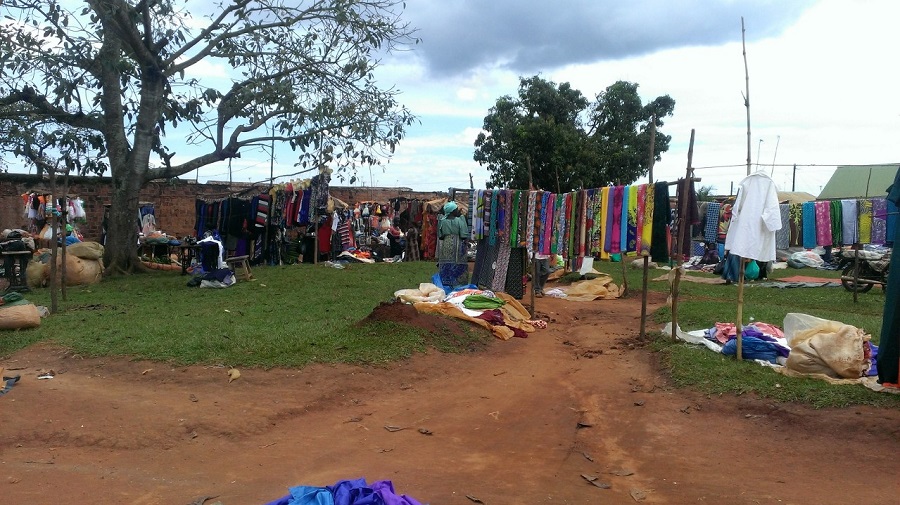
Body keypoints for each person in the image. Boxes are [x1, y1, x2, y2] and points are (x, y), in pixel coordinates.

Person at [437, 201, 469, 289]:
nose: (457, 211)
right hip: (458, 244)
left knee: (446, 263)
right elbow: (463, 235)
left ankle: (446, 285)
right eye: (456, 209)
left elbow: (440, 236)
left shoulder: (442, 221)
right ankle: (459, 286)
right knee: (458, 264)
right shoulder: (460, 220)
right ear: (452, 211)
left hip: (446, 244)